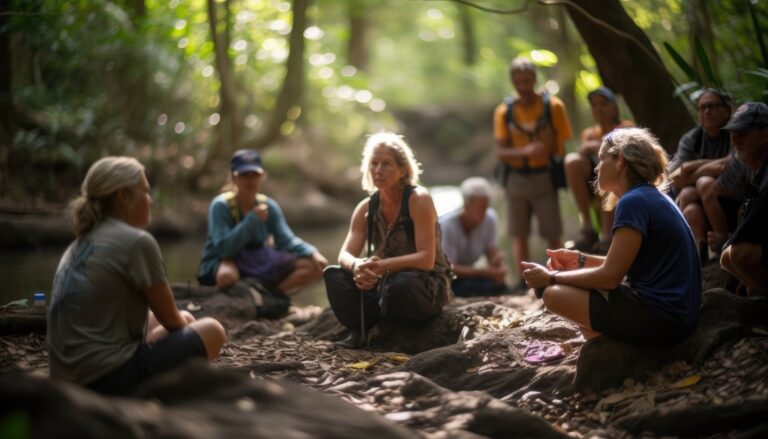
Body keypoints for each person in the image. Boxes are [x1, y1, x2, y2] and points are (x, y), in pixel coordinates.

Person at [48, 157, 226, 395]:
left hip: (65, 378)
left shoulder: (79, 244)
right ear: (123, 195)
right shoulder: (137, 242)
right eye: (145, 192)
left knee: (180, 320)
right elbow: (172, 321)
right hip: (105, 380)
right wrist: (190, 334)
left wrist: (181, 330)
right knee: (213, 331)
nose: (150, 201)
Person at [522, 128, 701, 347]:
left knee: (553, 294)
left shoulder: (632, 202)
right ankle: (607, 344)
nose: (596, 167)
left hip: (661, 320)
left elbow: (610, 277)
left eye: (601, 159)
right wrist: (578, 260)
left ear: (620, 162)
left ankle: (613, 347)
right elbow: (623, 265)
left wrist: (551, 278)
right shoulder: (649, 196)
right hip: (676, 318)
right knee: (573, 285)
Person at [324, 132, 453, 349]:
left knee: (400, 285)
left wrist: (382, 267)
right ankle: (361, 330)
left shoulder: (418, 199)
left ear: (403, 170)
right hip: (384, 284)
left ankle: (399, 332)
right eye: (373, 163)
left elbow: (426, 259)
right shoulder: (365, 207)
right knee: (334, 275)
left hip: (424, 285)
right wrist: (358, 266)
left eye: (386, 164)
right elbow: (344, 254)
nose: (378, 170)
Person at [197, 149, 328, 295]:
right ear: (234, 178)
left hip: (258, 259)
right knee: (226, 277)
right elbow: (225, 249)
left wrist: (312, 253)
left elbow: (286, 239)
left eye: (255, 175)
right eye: (244, 175)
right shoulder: (221, 205)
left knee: (314, 267)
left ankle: (272, 296)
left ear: (262, 176)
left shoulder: (269, 206)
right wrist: (252, 220)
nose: (250, 180)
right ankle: (242, 297)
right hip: (227, 260)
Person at [494, 56, 573, 292]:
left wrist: (544, 149)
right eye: (519, 82)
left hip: (544, 175)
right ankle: (524, 281)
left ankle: (559, 276)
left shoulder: (554, 107)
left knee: (552, 230)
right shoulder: (504, 112)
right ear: (513, 82)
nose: (524, 87)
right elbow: (501, 151)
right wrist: (525, 150)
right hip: (516, 177)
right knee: (519, 232)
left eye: (527, 81)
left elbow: (561, 146)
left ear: (534, 80)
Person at [667, 88, 747, 257]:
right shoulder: (692, 139)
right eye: (702, 108)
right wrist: (714, 167)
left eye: (712, 106)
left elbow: (732, 163)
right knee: (688, 196)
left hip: (737, 199)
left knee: (704, 183)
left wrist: (692, 166)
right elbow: (674, 178)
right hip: (707, 207)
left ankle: (723, 242)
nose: (707, 111)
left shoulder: (736, 132)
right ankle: (698, 254)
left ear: (728, 110)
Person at [564, 86, 634, 252]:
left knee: (606, 168)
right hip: (595, 182)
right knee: (571, 160)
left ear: (614, 107)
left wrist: (597, 146)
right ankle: (588, 227)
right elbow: (582, 155)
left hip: (622, 181)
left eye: (603, 104)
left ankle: (607, 236)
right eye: (594, 105)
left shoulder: (626, 127)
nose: (599, 109)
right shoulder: (589, 133)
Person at [720, 102, 768, 295]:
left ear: (766, 133)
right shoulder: (754, 169)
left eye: (743, 132)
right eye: (733, 132)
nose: (735, 139)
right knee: (728, 255)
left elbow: (745, 234)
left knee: (738, 253)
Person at [439, 177, 509, 296]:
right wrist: (485, 272)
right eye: (479, 208)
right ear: (466, 206)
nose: (483, 212)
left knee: (500, 286)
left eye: (485, 207)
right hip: (450, 278)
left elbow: (491, 250)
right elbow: (449, 267)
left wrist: (498, 264)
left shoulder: (490, 218)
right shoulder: (447, 225)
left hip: (473, 274)